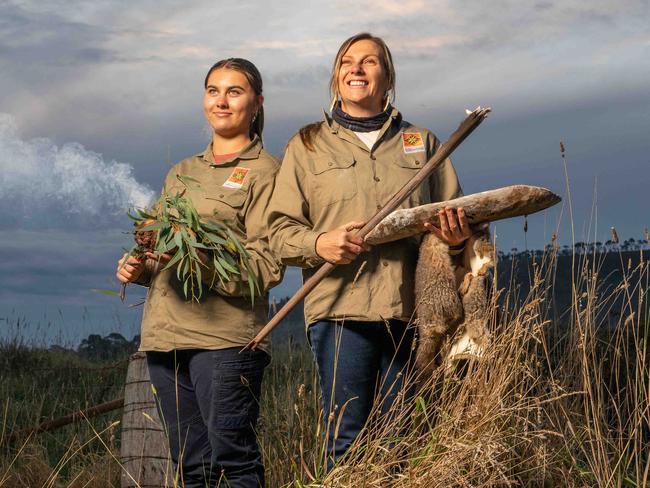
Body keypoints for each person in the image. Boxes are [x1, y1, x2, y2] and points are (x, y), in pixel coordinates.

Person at [267, 33, 472, 466]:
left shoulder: (424, 143)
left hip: (410, 311)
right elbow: (279, 233)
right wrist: (320, 243)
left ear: (388, 77)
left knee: (402, 439)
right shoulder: (306, 145)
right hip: (340, 310)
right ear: (336, 77)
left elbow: (457, 221)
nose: (357, 68)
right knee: (348, 438)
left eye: (370, 61)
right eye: (347, 61)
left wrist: (455, 240)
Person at [116, 58, 282, 488]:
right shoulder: (182, 172)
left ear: (257, 102)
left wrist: (195, 261)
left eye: (234, 91)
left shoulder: (268, 173)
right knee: (192, 468)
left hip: (224, 341)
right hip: (165, 338)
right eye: (213, 90)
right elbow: (160, 252)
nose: (221, 101)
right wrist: (139, 265)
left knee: (235, 461)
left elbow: (266, 266)